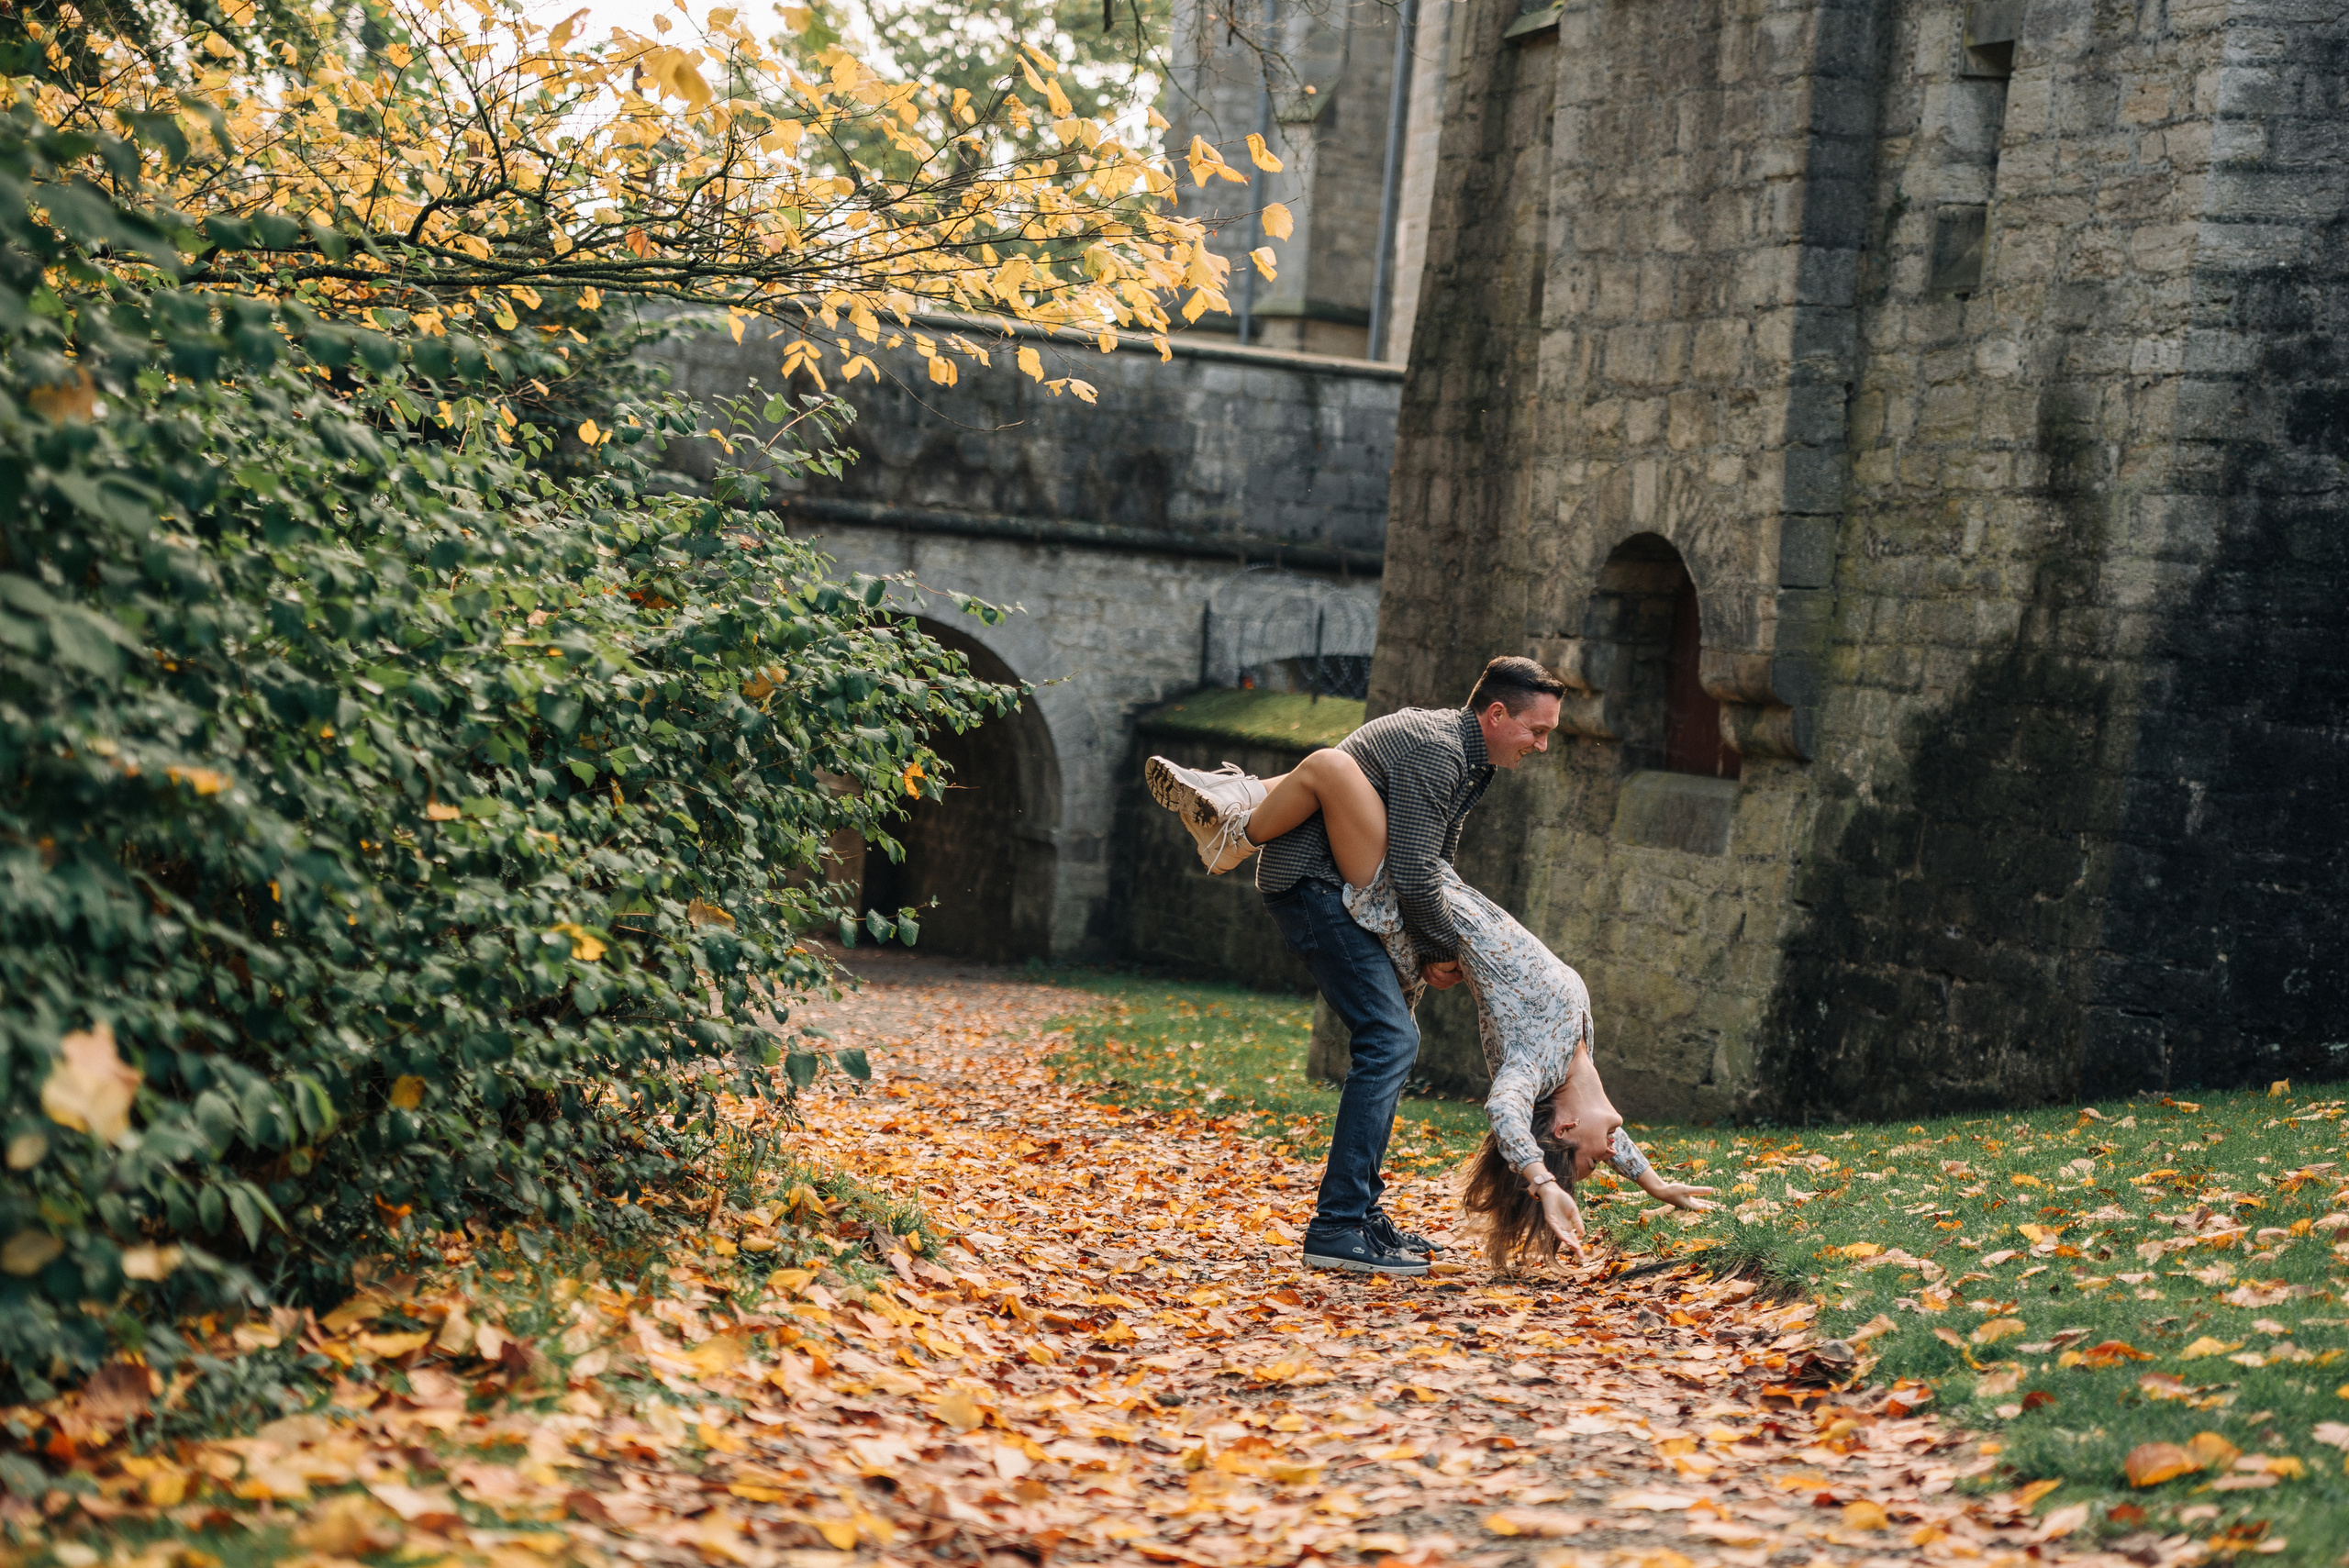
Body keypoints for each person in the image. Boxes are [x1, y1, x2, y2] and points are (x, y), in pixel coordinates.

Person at [1146, 658, 1716, 1275]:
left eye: (1597, 1159)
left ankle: (1353, 1216)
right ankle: (1341, 1223)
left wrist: (1554, 1181)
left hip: (1355, 887)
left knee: (1390, 1038)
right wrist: (1653, 1181)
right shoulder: (1443, 750)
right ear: (1496, 715)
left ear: (1564, 1124)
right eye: (1538, 730)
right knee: (1390, 1034)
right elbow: (1419, 871)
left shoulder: (1538, 1071)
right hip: (1323, 882)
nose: (1544, 745)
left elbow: (1521, 1121)